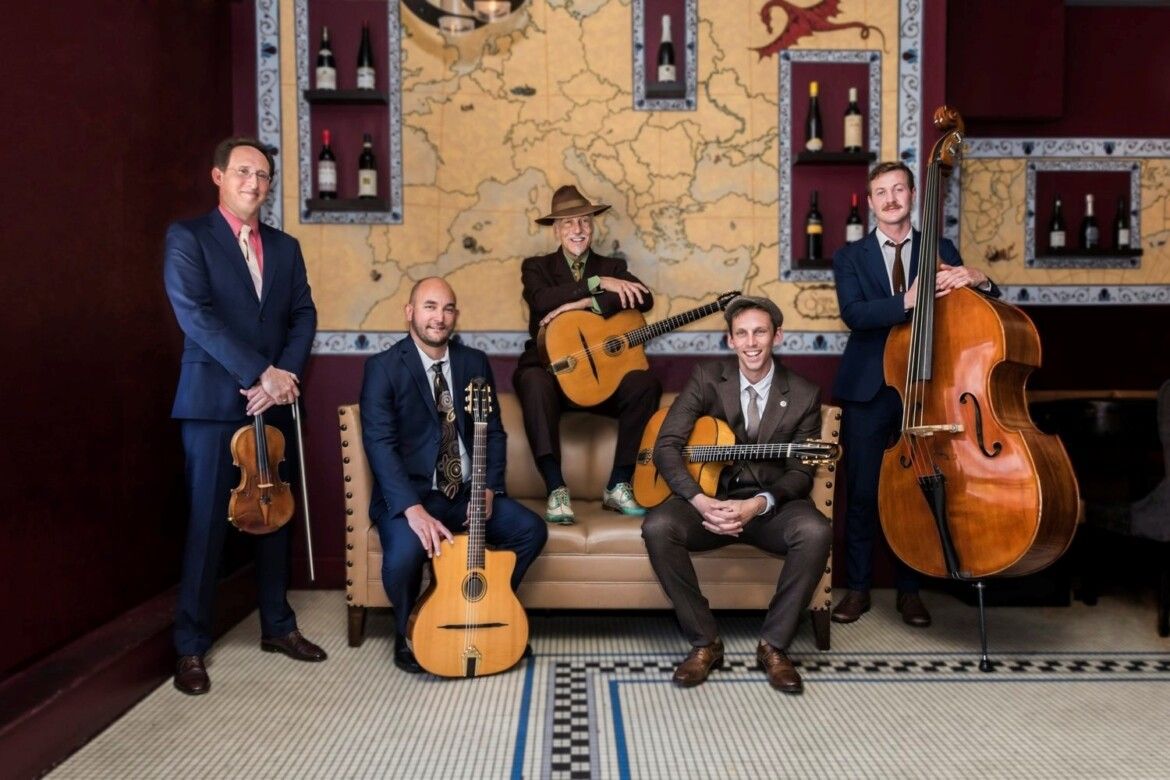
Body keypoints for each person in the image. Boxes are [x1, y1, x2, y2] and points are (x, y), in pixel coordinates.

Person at [164, 137, 326, 696]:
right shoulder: (188, 238)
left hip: (275, 400)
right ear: (218, 176)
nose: (253, 183)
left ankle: (278, 626)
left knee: (275, 515)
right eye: (242, 172)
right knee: (207, 524)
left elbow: (304, 314)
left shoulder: (285, 247)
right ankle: (190, 645)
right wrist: (261, 373)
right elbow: (196, 317)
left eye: (262, 176)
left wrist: (282, 377)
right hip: (212, 404)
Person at [830, 160, 999, 627]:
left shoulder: (938, 248)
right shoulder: (849, 256)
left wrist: (978, 278)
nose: (890, 199)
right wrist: (908, 300)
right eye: (881, 192)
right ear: (870, 203)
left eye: (898, 189)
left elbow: (975, 305)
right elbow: (854, 314)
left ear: (912, 195)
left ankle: (910, 592)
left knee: (919, 489)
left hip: (927, 385)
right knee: (862, 493)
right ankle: (858, 590)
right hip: (868, 389)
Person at [641, 296, 833, 694]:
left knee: (816, 531)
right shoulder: (706, 378)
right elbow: (667, 446)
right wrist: (699, 500)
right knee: (658, 526)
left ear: (777, 336)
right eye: (742, 333)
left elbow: (801, 472)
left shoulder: (803, 393)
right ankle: (705, 642)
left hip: (768, 507)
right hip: (708, 499)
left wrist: (757, 504)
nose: (751, 342)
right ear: (730, 340)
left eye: (760, 332)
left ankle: (774, 645)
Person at [360, 277, 548, 673]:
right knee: (403, 556)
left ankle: (489, 609)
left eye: (447, 308)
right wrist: (411, 509)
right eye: (430, 307)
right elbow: (380, 445)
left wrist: (490, 488)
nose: (439, 317)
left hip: (466, 491)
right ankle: (410, 629)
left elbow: (493, 431)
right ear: (410, 312)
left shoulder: (473, 362)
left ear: (456, 315)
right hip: (413, 495)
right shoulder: (383, 368)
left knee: (530, 530)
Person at [514, 185, 662, 524]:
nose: (577, 229)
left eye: (584, 221)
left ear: (593, 226)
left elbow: (644, 298)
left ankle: (619, 484)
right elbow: (541, 300)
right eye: (568, 223)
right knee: (533, 379)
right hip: (553, 380)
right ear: (556, 230)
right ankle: (556, 488)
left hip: (602, 381)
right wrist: (597, 283)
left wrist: (584, 302)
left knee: (645, 384)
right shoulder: (536, 267)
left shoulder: (614, 266)